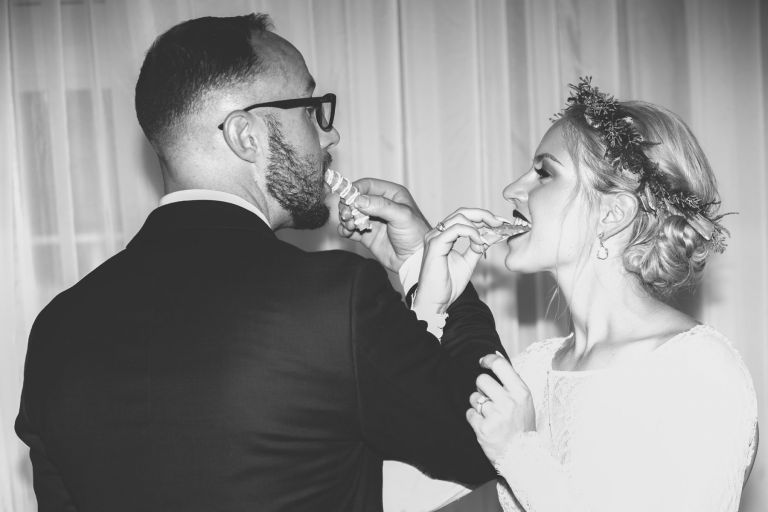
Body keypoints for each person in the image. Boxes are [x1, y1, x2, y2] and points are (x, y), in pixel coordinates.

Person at [14, 13, 504, 512]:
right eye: (312, 110)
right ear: (246, 135)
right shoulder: (335, 300)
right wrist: (432, 270)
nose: (330, 137)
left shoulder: (56, 330)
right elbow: (490, 443)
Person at [342, 77, 759, 511]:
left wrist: (519, 452)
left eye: (544, 173)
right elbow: (409, 479)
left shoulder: (698, 371)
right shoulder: (535, 368)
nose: (511, 191)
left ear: (613, 212)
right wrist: (427, 290)